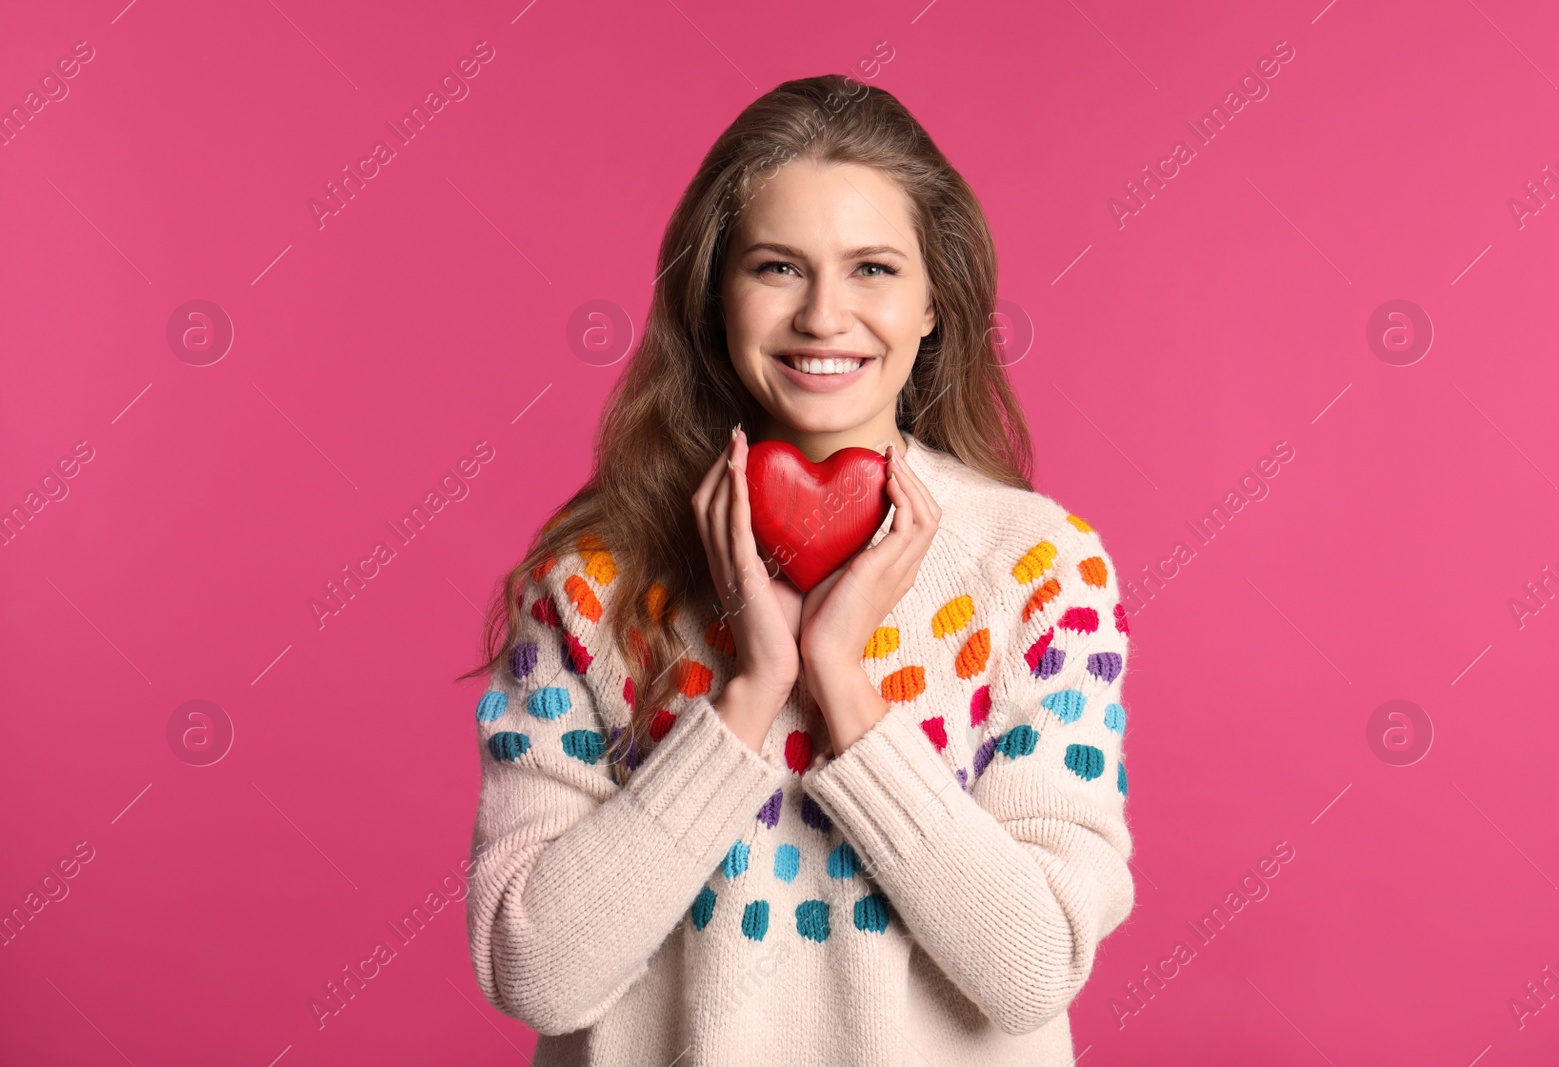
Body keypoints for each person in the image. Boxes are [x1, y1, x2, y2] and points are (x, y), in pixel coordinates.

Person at [462, 72, 1136, 1066]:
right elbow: (536, 970)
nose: (825, 316)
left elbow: (1029, 968)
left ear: (934, 304)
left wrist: (842, 686)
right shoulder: (585, 583)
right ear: (714, 294)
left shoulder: (1040, 570)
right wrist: (748, 694)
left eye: (872, 269)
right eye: (778, 266)